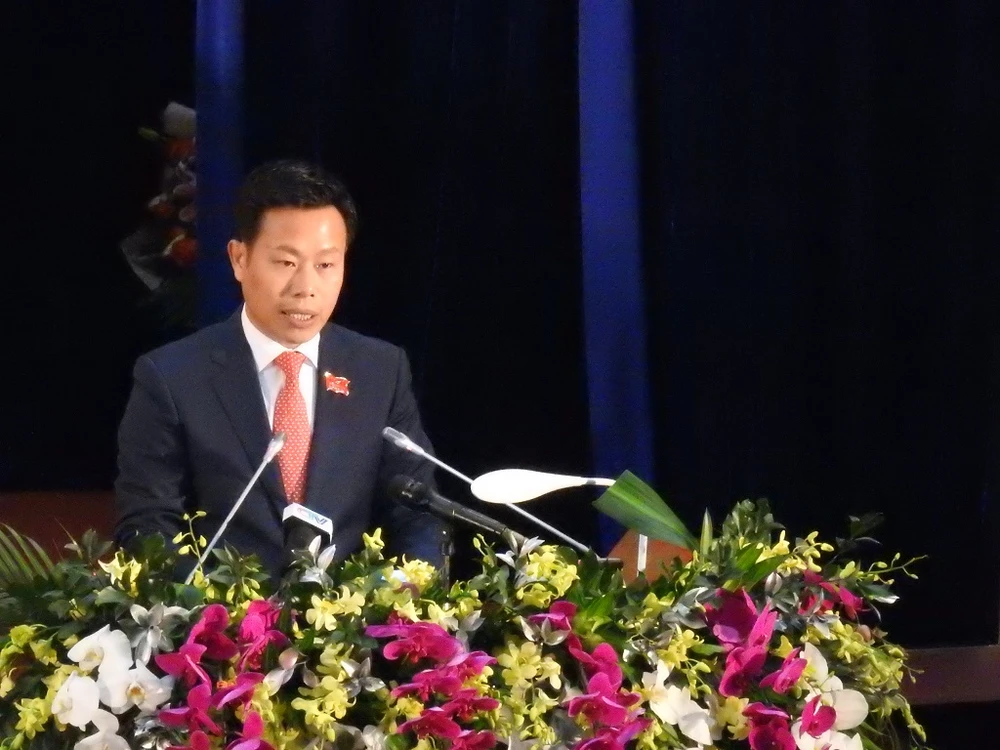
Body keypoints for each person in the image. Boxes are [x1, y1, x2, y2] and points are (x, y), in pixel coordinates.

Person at [114, 159, 447, 578]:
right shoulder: (172, 377)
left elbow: (417, 512)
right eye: (286, 263)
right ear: (239, 259)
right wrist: (211, 608)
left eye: (326, 265)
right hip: (218, 615)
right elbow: (148, 525)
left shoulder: (379, 371)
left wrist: (407, 587)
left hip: (352, 615)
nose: (305, 288)